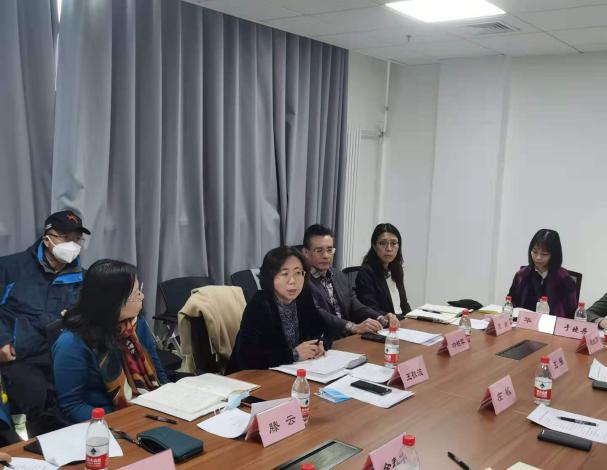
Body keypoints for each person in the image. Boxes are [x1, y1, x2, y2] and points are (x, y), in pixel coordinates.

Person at [0, 210, 89, 435]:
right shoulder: (10, 267)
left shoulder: (83, 278)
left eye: (77, 239)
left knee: (76, 395)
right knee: (35, 394)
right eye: (65, 238)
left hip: (59, 355)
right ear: (47, 239)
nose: (72, 245)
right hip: (18, 356)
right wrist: (2, 339)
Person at [52, 259, 167, 423]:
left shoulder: (135, 324)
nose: (142, 296)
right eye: (136, 294)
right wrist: (123, 420)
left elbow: (158, 372)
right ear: (114, 302)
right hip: (107, 421)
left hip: (148, 409)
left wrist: (170, 401)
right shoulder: (71, 343)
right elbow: (72, 406)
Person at [228, 246, 332, 372]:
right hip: (251, 377)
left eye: (298, 273)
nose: (292, 281)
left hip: (295, 371)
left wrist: (321, 344)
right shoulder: (259, 304)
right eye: (284, 274)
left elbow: (325, 332)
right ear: (270, 277)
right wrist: (294, 354)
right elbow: (248, 357)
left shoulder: (304, 297)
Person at [302, 224, 399, 339]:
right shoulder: (302, 280)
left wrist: (381, 317)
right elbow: (319, 313)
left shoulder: (338, 275)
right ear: (305, 253)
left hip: (348, 338)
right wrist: (353, 327)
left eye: (329, 250)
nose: (326, 256)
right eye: (319, 250)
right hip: (323, 341)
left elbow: (354, 304)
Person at [508, 229, 577, 318]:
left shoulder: (564, 279)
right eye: (534, 252)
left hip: (553, 325)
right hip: (523, 323)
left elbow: (571, 314)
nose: (538, 257)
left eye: (544, 254)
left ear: (554, 255)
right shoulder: (522, 275)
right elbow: (510, 303)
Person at [356, 223, 412, 317]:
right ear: (374, 246)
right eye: (383, 243)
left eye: (393, 243)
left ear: (399, 246)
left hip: (402, 321)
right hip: (384, 323)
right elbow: (371, 310)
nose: (389, 248)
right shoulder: (366, 273)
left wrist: (413, 318)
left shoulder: (397, 269)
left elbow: (404, 304)